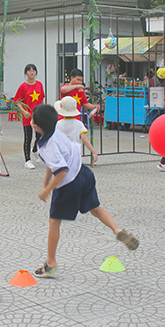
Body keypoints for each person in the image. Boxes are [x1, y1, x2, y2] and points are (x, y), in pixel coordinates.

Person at [31, 104, 138, 278]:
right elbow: (53, 165)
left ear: (35, 126)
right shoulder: (57, 133)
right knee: (96, 209)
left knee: (54, 222)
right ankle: (117, 230)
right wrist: (45, 184)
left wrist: (47, 190)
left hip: (68, 184)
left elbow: (60, 171)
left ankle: (51, 264)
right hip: (84, 174)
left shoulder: (46, 146)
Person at [14, 63, 45, 169]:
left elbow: (41, 99)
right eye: (29, 71)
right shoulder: (23, 86)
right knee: (28, 138)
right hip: (27, 117)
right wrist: (23, 111)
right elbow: (17, 101)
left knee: (40, 136)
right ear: (25, 73)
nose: (32, 73)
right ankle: (27, 160)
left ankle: (35, 150)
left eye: (34, 70)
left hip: (38, 116)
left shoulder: (39, 84)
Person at [54, 96, 98, 163]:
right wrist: (93, 152)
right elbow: (84, 139)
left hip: (61, 152)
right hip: (75, 153)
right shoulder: (79, 124)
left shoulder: (58, 124)